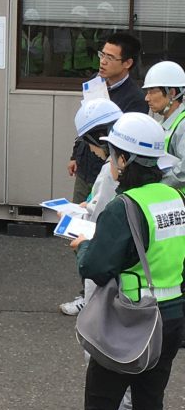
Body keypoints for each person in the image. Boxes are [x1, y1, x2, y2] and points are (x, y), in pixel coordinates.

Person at [60, 112, 185, 410]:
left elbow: (96, 268)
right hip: (171, 316)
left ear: (125, 160)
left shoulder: (124, 207)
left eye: (114, 153)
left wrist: (83, 247)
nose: (111, 161)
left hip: (130, 318)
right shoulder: (176, 199)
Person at [62, 32, 148, 316]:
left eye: (110, 57)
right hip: (88, 167)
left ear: (127, 63)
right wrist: (76, 153)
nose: (103, 62)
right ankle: (85, 291)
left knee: (105, 234)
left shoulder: (135, 98)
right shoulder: (95, 84)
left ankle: (101, 295)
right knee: (81, 227)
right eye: (102, 55)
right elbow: (86, 124)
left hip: (113, 173)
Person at [66, 100, 135, 410]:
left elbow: (102, 219)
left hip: (105, 266)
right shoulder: (131, 169)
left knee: (100, 341)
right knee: (129, 342)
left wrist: (80, 232)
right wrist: (86, 205)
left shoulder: (113, 172)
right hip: (136, 276)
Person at [141, 60, 185, 188]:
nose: (147, 98)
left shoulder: (183, 125)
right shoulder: (163, 124)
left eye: (152, 91)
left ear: (172, 93)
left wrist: (155, 187)